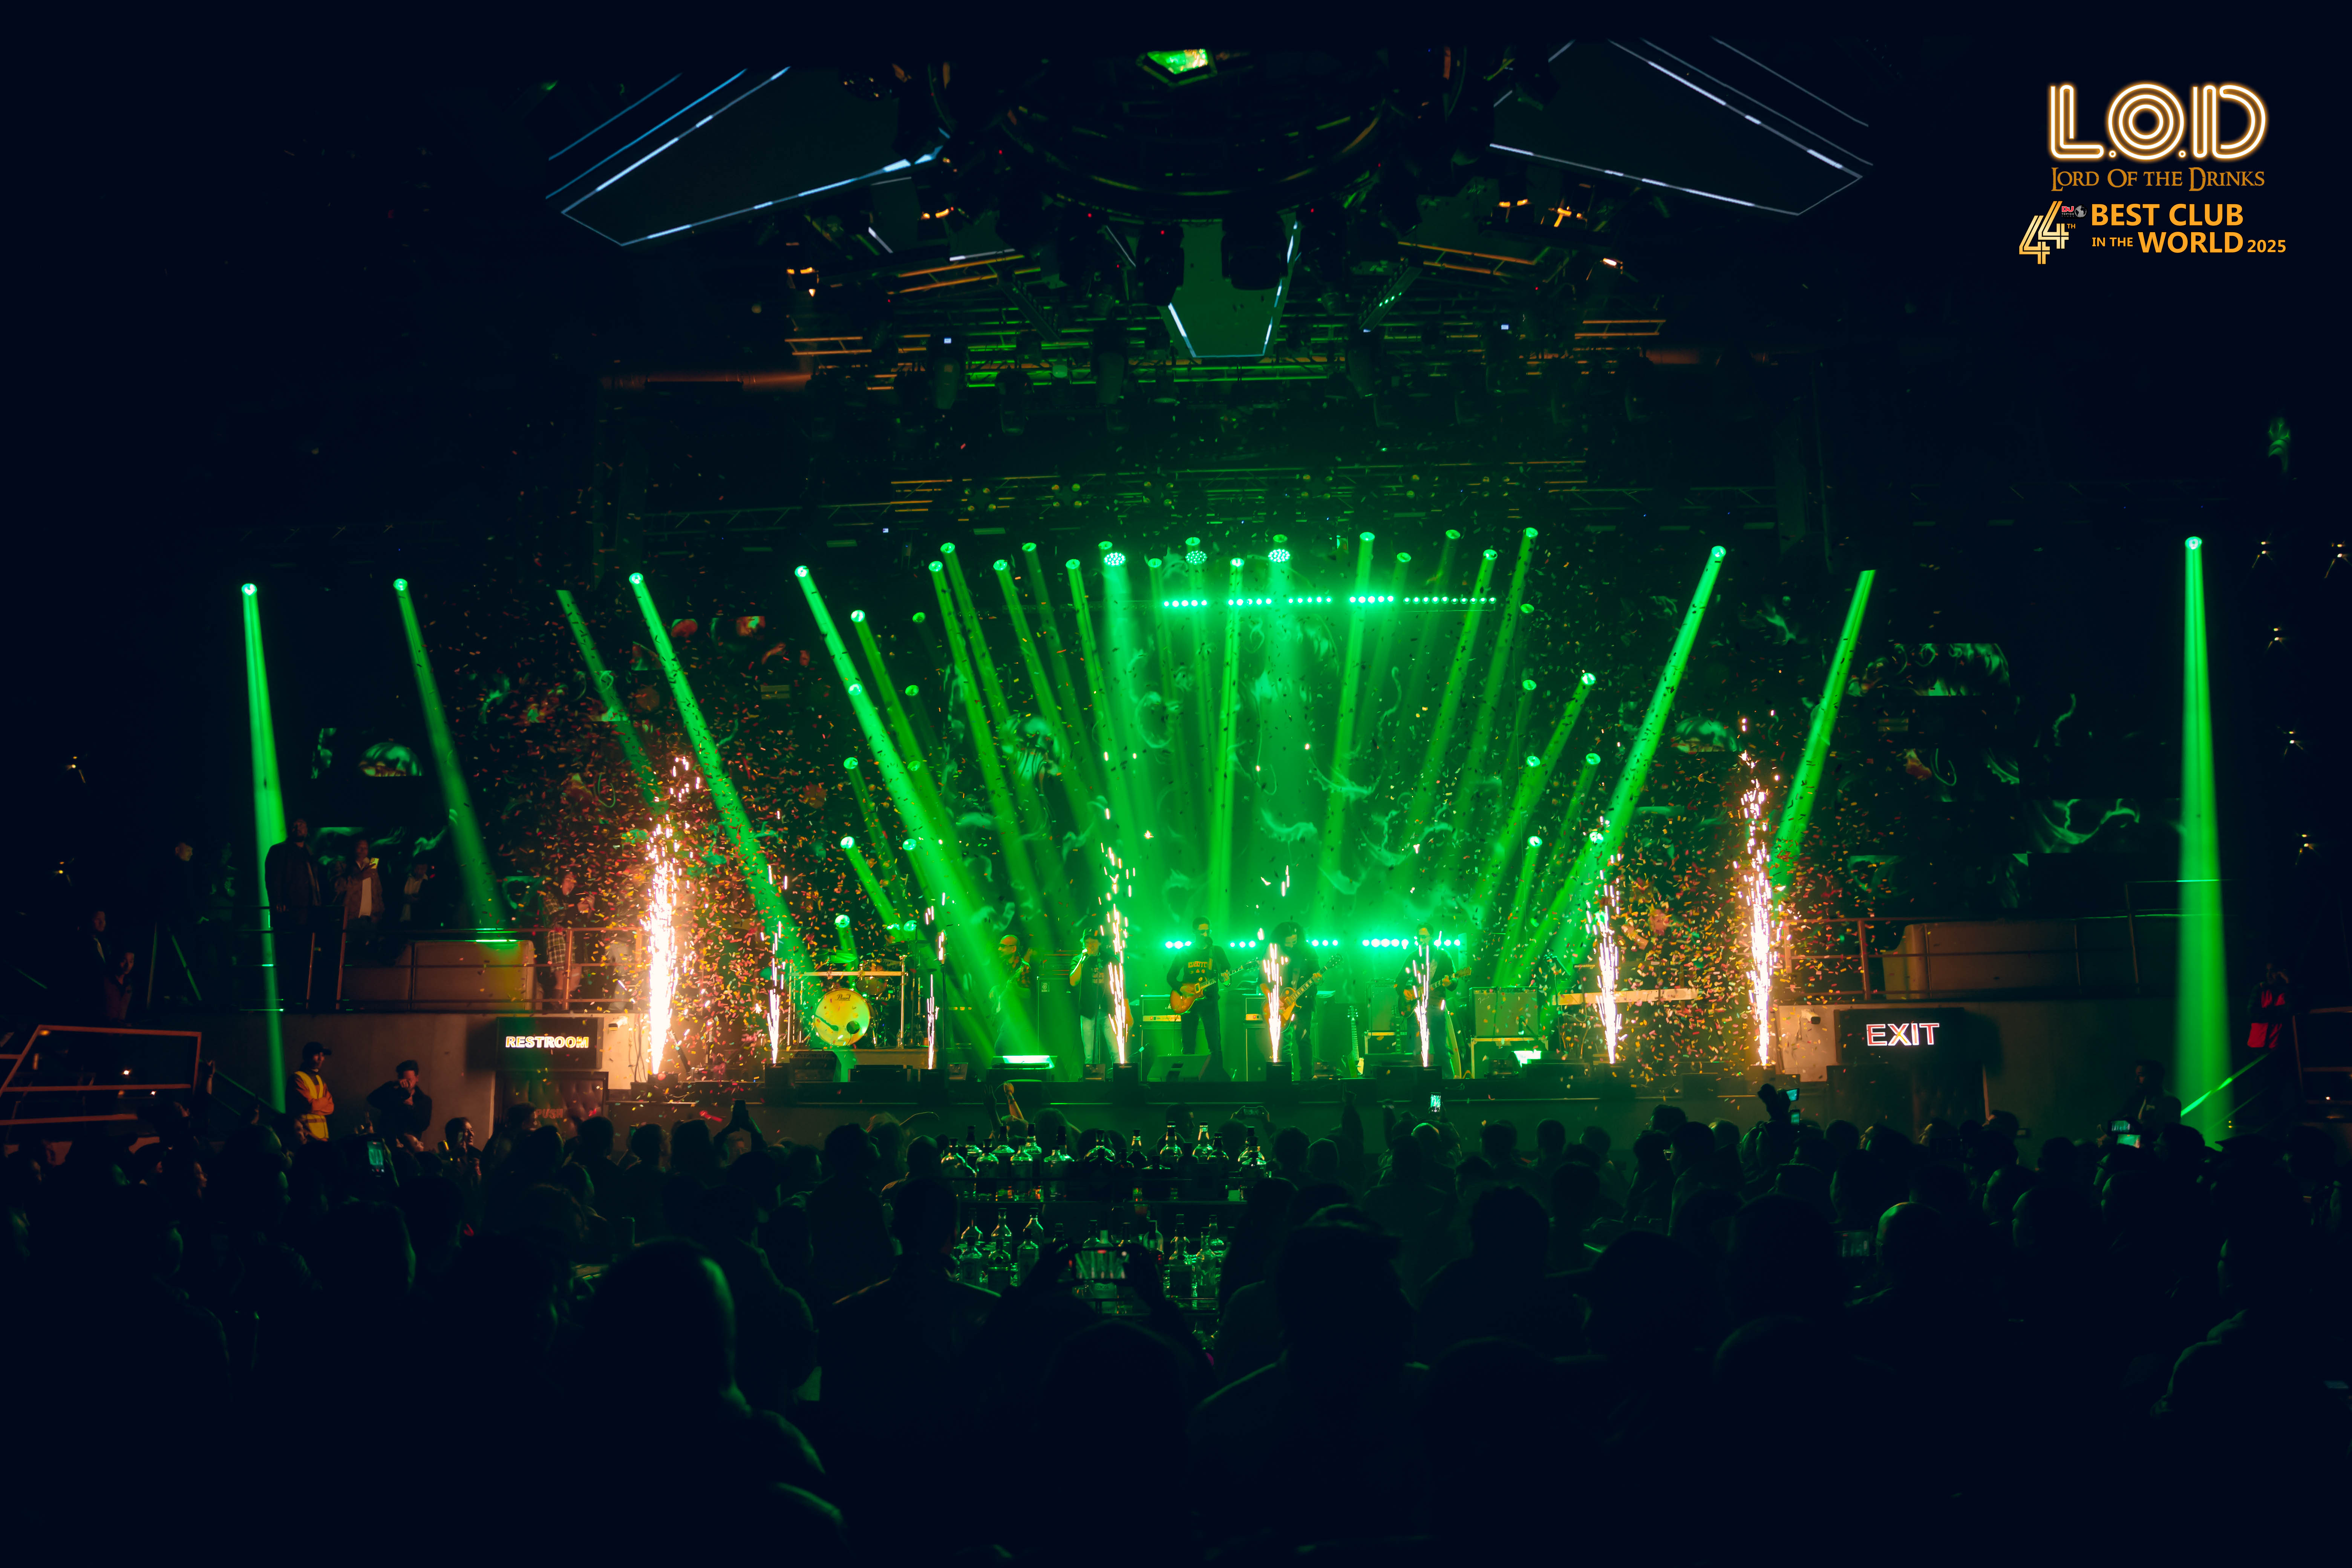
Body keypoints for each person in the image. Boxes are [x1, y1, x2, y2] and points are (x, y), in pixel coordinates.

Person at [265, 818, 324, 1008]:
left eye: (303, 825)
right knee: (290, 956)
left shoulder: (309, 850)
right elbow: (273, 878)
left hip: (309, 911)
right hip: (292, 912)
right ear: (290, 829)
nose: (299, 829)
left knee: (305, 956)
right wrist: (278, 902)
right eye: (296, 825)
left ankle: (303, 998)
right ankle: (292, 999)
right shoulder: (280, 850)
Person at [1166, 918, 1233, 1080]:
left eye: (1208, 931)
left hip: (1210, 1002)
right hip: (1189, 1003)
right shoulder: (1185, 952)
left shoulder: (1216, 951)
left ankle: (1217, 1078)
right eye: (1202, 931)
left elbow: (1227, 978)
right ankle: (1188, 1078)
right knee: (1188, 1044)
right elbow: (1171, 977)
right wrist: (1182, 988)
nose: (1205, 934)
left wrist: (1226, 980)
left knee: (1215, 1043)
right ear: (1194, 932)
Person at [1394, 923, 1458, 1076]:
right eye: (1419, 937)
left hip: (1436, 1007)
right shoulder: (1413, 957)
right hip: (1415, 1009)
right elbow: (1399, 982)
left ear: (1432, 937)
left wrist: (1450, 983)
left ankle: (1449, 1082)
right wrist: (1405, 992)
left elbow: (1455, 981)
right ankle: (1415, 1081)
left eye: (1424, 937)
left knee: (1441, 1047)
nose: (1421, 940)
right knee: (1414, 1049)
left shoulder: (1443, 956)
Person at [1267, 920, 1325, 1072]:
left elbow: (1318, 975)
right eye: (1287, 942)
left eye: (1294, 941)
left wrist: (1319, 980)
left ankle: (1307, 1078)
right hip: (1282, 1003)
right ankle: (1286, 1078)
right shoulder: (1276, 950)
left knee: (1304, 1040)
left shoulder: (1308, 951)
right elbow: (1266, 979)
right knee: (1283, 1044)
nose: (1291, 945)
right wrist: (1274, 998)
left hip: (1303, 1003)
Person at [1067, 927, 1115, 1074]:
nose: (1090, 945)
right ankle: (1092, 1083)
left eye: (1094, 942)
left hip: (1109, 1012)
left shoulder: (1110, 959)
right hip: (1088, 1012)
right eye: (1087, 942)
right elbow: (1073, 982)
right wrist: (1083, 961)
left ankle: (1119, 1080)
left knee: (1116, 1051)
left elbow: (1122, 985)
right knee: (1090, 1055)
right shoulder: (1079, 960)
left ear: (1100, 943)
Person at [335, 839, 385, 965]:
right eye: (360, 847)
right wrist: (359, 877)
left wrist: (379, 913)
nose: (363, 851)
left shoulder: (372, 867)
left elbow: (378, 891)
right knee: (348, 957)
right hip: (350, 919)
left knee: (367, 958)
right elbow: (337, 887)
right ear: (353, 848)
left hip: (370, 920)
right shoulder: (342, 865)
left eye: (366, 848)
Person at [989, 931, 1033, 1064]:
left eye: (1003, 946)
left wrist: (1016, 990)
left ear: (1013, 949)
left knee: (1001, 1047)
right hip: (1004, 1015)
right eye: (999, 946)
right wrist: (995, 988)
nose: (999, 949)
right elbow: (1003, 986)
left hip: (1017, 1017)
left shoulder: (1024, 968)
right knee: (1010, 1052)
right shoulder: (1003, 965)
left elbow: (1029, 994)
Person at [366, 1060, 433, 1142]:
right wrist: (393, 1084)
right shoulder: (392, 1094)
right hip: (387, 1142)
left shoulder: (424, 1100)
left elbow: (423, 1126)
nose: (407, 1084)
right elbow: (372, 1099)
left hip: (409, 1146)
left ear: (417, 1078)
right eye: (404, 1080)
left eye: (410, 1080)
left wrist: (412, 1107)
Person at [289, 1042, 335, 1144]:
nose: (321, 1059)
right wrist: (324, 1101)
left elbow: (331, 1108)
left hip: (323, 1140)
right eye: (317, 1054)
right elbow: (312, 1106)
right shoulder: (298, 1079)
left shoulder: (320, 1080)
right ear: (307, 1056)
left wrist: (313, 1107)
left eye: (322, 1055)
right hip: (306, 1139)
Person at [2122, 1058, 2181, 1130]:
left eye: (2141, 1075)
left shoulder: (2170, 1101)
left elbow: (2166, 1131)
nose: (2136, 1079)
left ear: (2155, 1077)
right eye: (2137, 1075)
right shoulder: (2135, 1100)